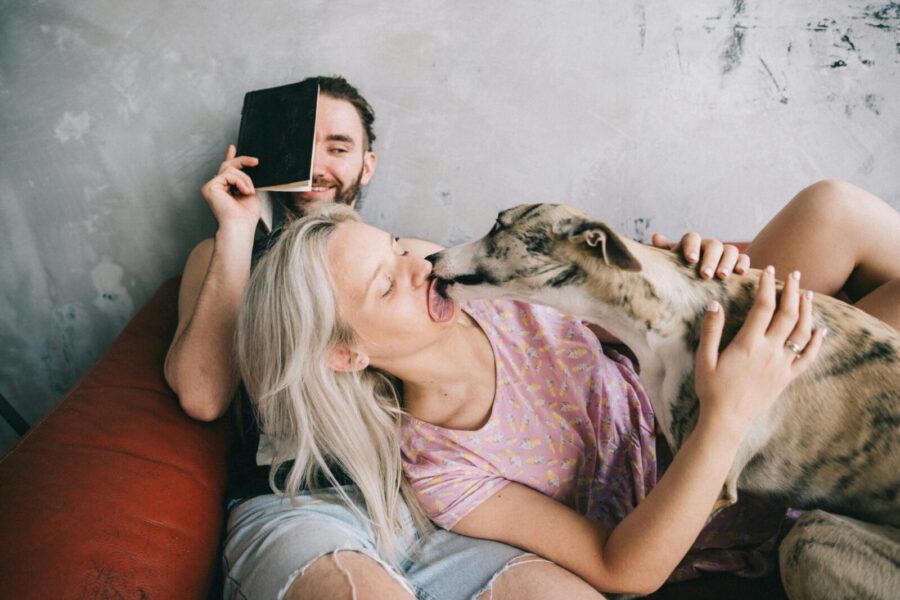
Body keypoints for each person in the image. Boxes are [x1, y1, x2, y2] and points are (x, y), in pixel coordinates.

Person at [236, 179, 900, 597]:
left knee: (831, 207)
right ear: (345, 354)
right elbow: (621, 570)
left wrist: (702, 272)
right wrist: (727, 415)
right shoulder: (441, 467)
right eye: (386, 284)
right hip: (719, 474)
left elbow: (636, 303)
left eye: (395, 247)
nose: (419, 264)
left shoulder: (493, 294)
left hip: (720, 392)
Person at [167, 75, 632, 600]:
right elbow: (203, 397)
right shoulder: (225, 255)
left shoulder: (411, 259)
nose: (316, 165)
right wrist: (236, 229)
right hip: (295, 504)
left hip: (416, 504)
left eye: (338, 147)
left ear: (367, 165)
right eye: (301, 144)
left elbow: (551, 305)